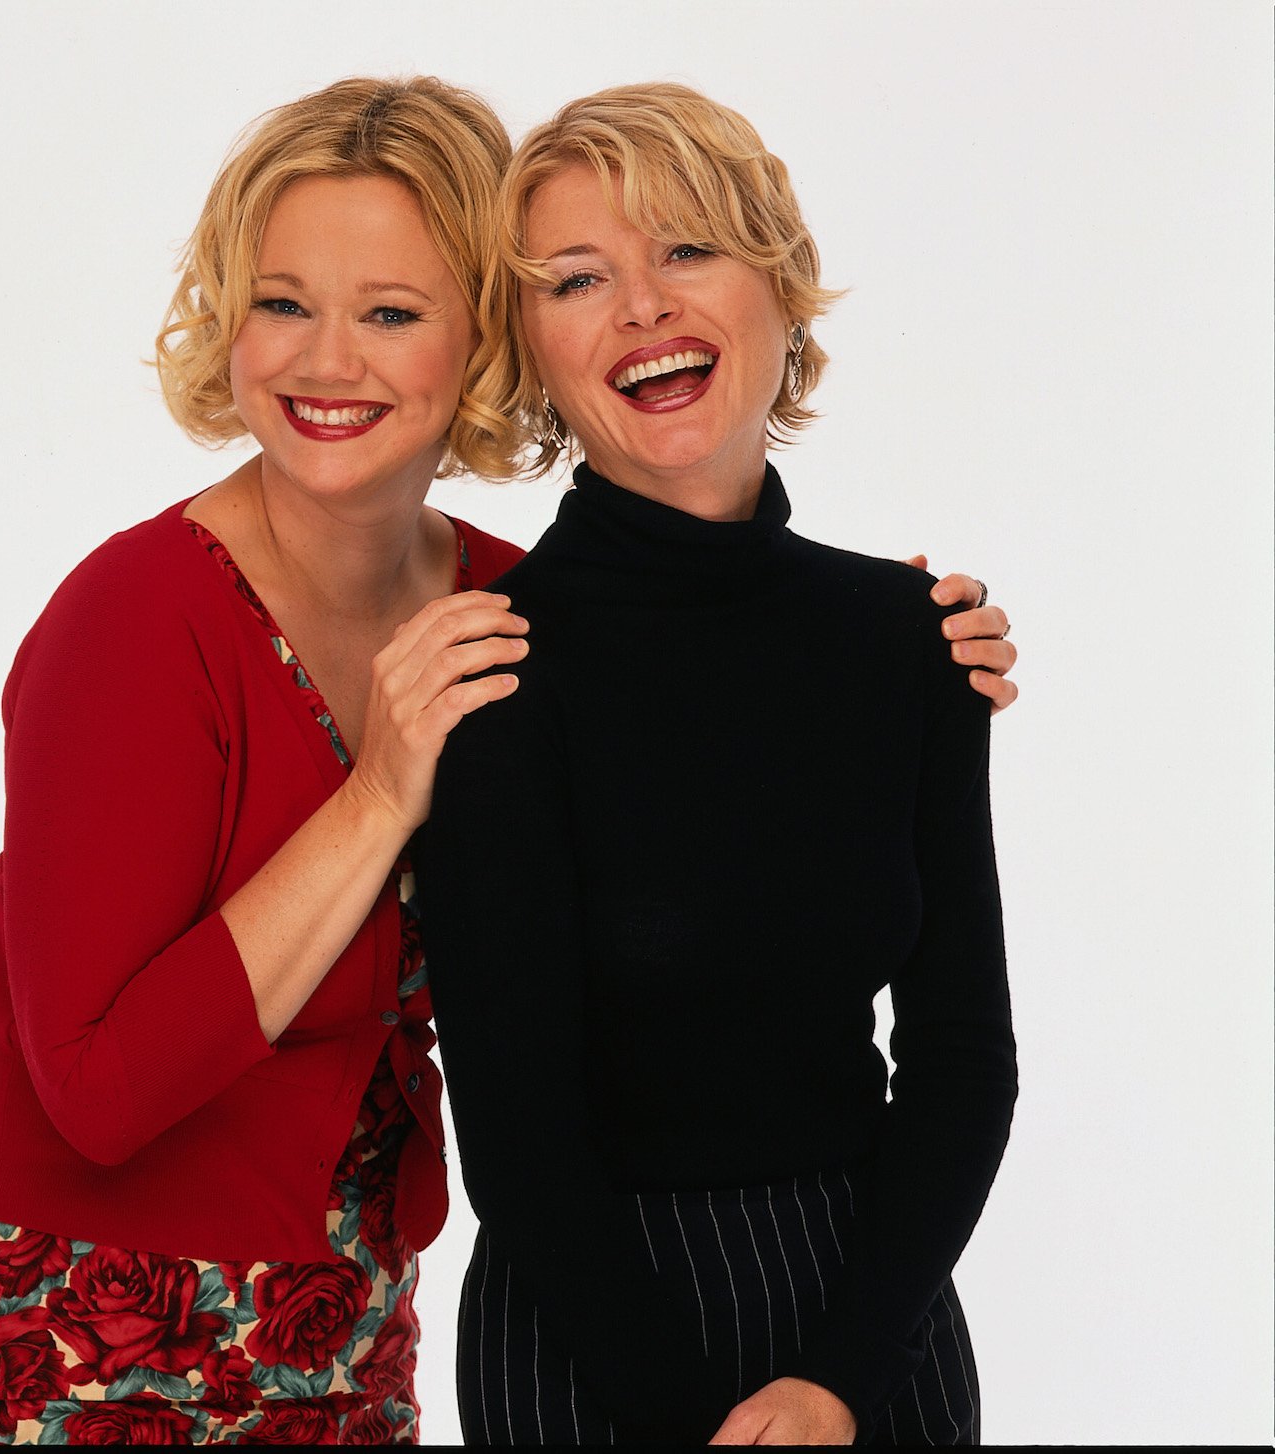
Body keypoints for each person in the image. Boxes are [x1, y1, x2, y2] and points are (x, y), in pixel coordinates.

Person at [0, 76, 1018, 1447]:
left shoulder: (492, 612)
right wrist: (380, 791)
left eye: (390, 311)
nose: (329, 358)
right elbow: (97, 1092)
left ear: (476, 342)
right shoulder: (145, 625)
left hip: (345, 1325)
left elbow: (705, 684)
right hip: (88, 1332)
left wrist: (899, 648)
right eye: (281, 301)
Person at [418, 82, 1018, 1447]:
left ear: (779, 289)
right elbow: (516, 1136)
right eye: (580, 278)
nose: (643, 304)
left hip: (873, 1315)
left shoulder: (910, 641)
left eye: (686, 249)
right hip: (589, 1334)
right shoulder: (493, 670)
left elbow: (962, 1055)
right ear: (532, 347)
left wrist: (841, 1375)